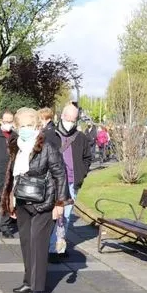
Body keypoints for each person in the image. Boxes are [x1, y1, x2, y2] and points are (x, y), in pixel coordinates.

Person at [1, 107, 67, 293]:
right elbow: (13, 175)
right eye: (22, 126)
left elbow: (60, 174)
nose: (26, 129)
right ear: (17, 127)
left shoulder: (47, 146)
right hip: (22, 201)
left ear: (37, 126)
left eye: (30, 125)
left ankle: (38, 288)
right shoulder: (16, 146)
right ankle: (28, 281)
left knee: (38, 245)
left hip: (43, 202)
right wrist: (10, 198)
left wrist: (59, 203)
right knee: (26, 243)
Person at [45, 103, 93, 258]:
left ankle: (58, 246)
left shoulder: (81, 138)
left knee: (65, 216)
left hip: (72, 182)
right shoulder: (49, 135)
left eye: (74, 120)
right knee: (53, 215)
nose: (71, 122)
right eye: (69, 118)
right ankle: (51, 246)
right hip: (53, 182)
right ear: (62, 116)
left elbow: (87, 158)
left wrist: (81, 174)